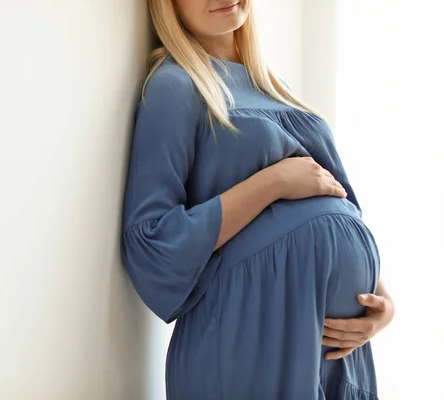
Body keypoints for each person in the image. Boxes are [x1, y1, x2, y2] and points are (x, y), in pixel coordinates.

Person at [121, 0, 395, 399]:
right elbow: (150, 241)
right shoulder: (175, 86)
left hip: (334, 350)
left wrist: (381, 301)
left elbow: (332, 199)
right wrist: (275, 181)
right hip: (250, 335)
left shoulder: (272, 87)